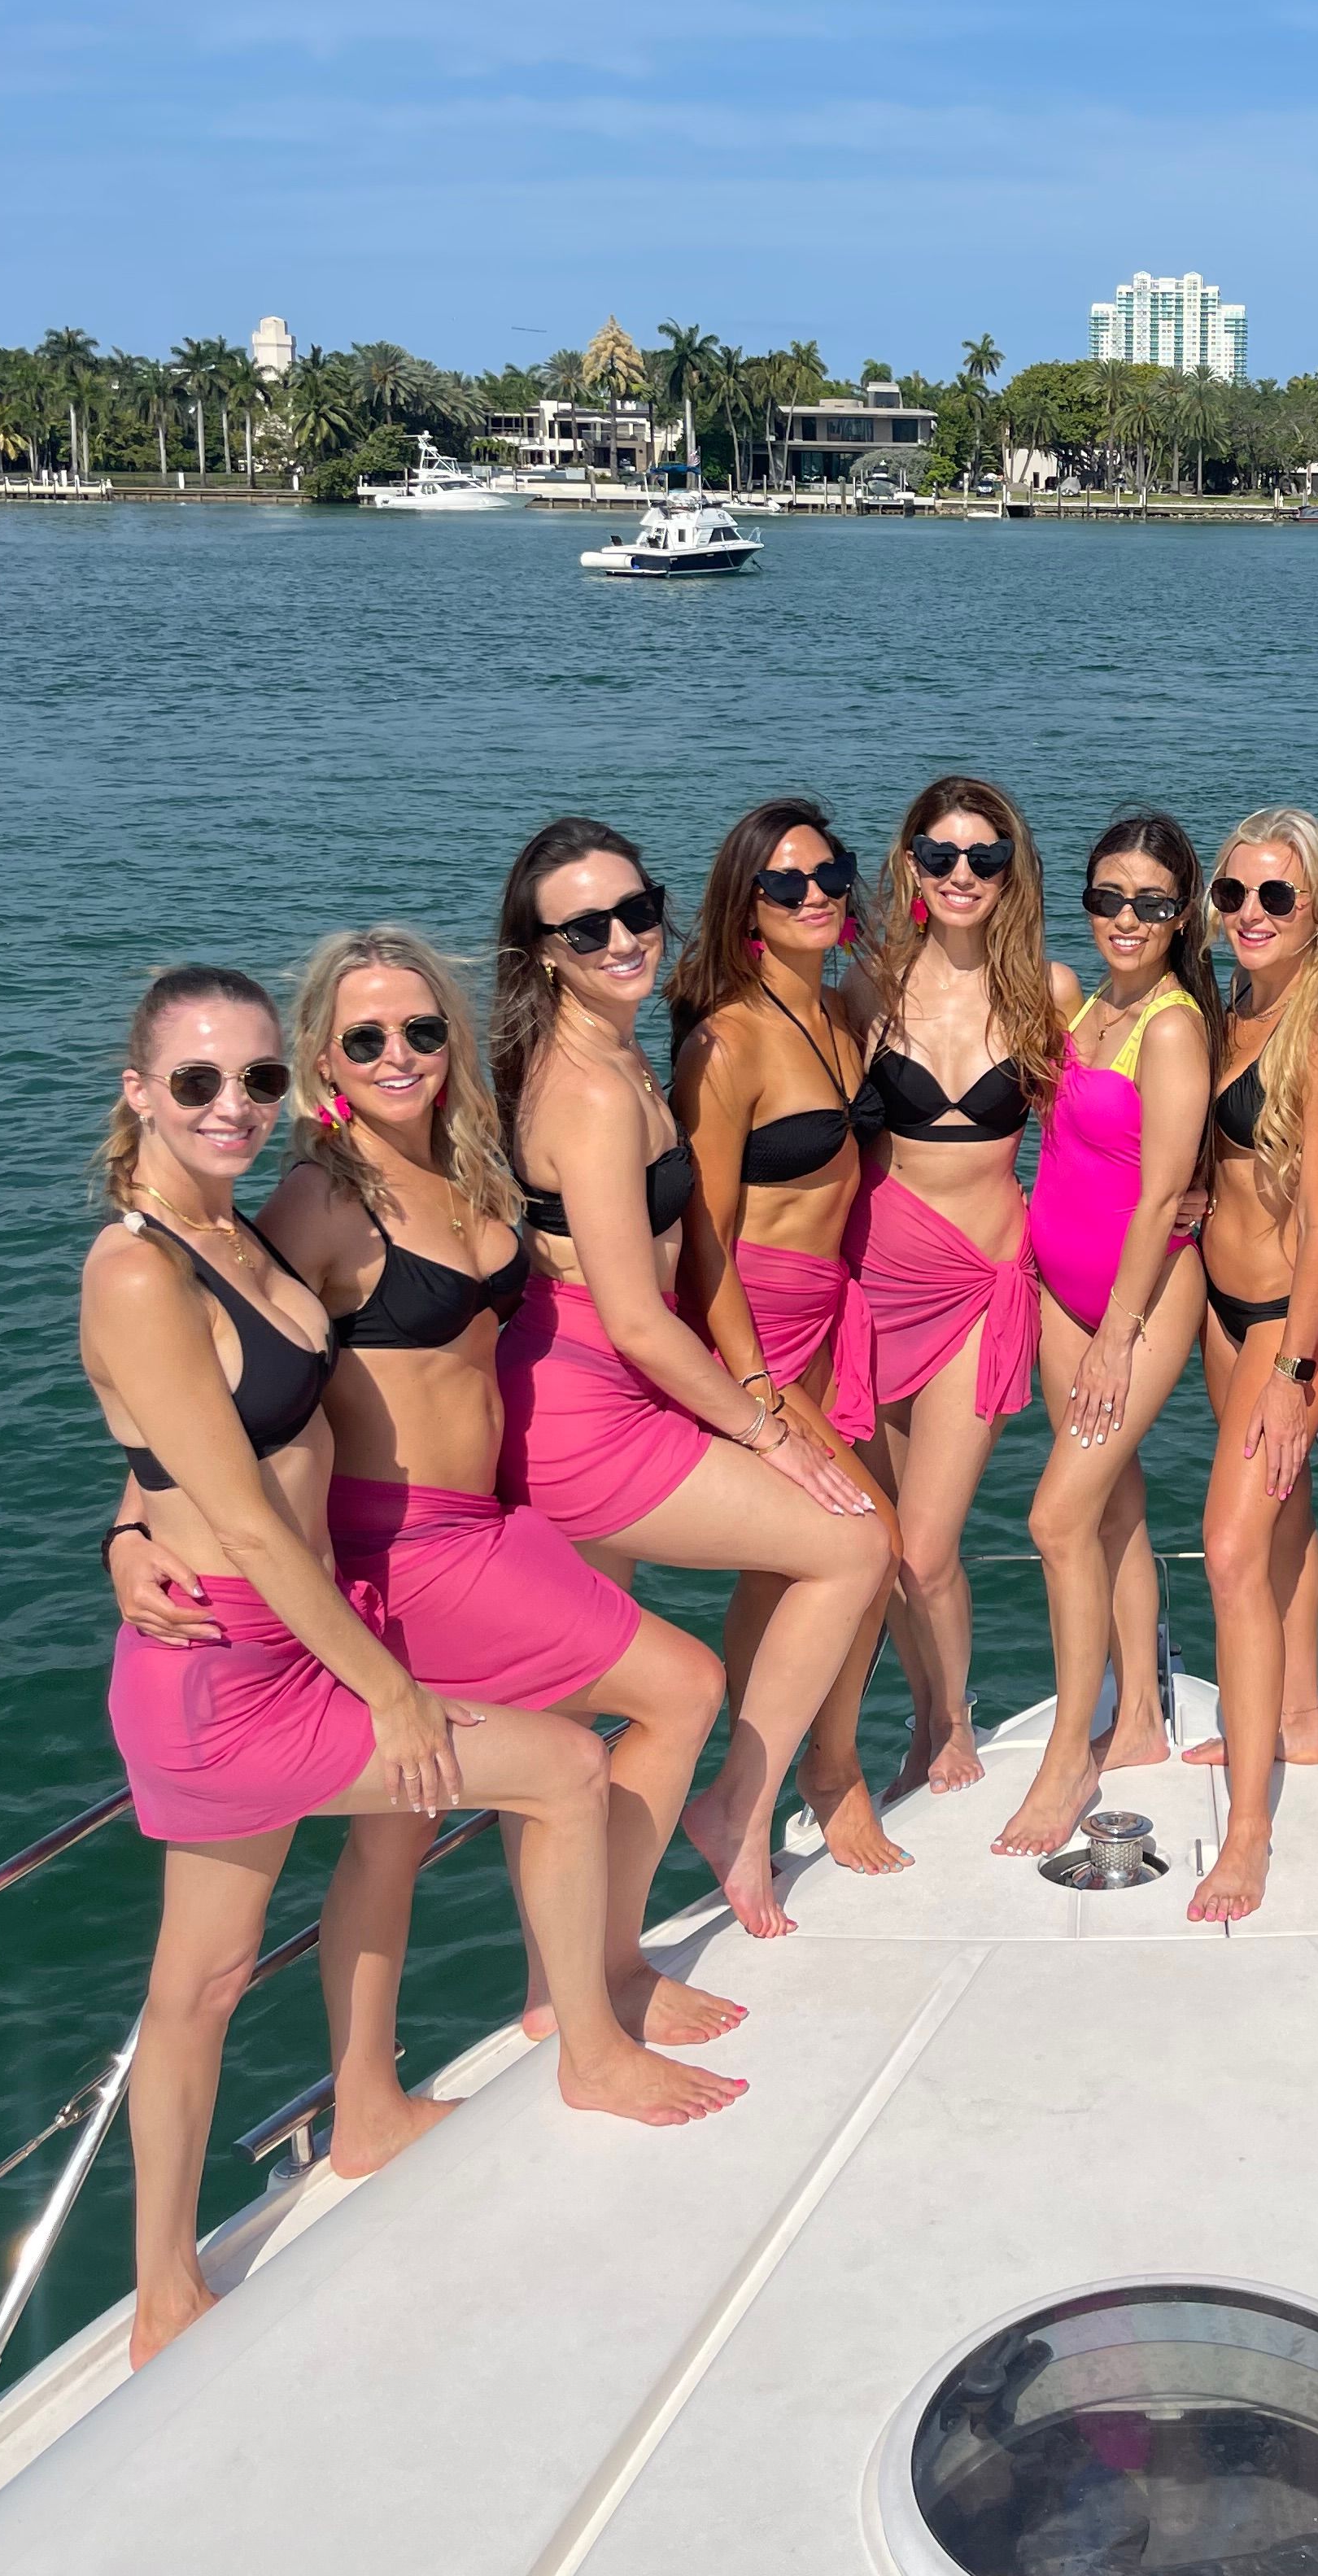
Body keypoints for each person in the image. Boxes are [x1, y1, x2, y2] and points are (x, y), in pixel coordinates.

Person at [82, 971, 741, 2368]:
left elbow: (188, 1438)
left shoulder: (236, 1239)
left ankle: (342, 2132)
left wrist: (130, 1515)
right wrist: (377, 1683)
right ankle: (166, 2291)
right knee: (544, 1775)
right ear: (137, 1089)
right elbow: (243, 1509)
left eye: (254, 1080)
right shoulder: (138, 1264)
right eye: (197, 1081)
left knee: (208, 1971)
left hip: (278, 1633)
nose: (231, 1106)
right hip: (238, 1663)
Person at [491, 816, 895, 1941]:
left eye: (637, 909)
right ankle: (735, 1810)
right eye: (588, 926)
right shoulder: (592, 1090)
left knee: (577, 1712)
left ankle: (565, 1983)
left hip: (583, 1381)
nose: (624, 936)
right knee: (854, 1538)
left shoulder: (614, 1053)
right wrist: (767, 1427)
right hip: (590, 1402)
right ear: (542, 951)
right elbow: (636, 1315)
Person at [670, 799, 906, 1877]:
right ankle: (809, 1775)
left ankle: (764, 1777)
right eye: (785, 883)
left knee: (784, 1570)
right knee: (869, 1538)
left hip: (828, 1319)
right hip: (752, 1325)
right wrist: (754, 1388)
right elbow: (704, 1238)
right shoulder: (728, 1041)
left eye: (831, 874)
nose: (816, 894)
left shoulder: (835, 1011)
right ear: (746, 906)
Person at [840, 775, 1075, 1797]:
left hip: (981, 1284)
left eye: (985, 858)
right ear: (910, 867)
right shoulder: (861, 988)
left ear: (1011, 872)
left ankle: (956, 1714)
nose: (962, 875)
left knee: (929, 1548)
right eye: (942, 857)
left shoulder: (1047, 993)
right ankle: (924, 1716)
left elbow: (1093, 1135)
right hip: (873, 1280)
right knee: (884, 1542)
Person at [993, 813, 1219, 1855]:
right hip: (1056, 1291)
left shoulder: (1171, 1026)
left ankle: (1068, 1761)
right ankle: (1134, 1722)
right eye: (1109, 899)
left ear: (1183, 917)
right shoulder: (1078, 1007)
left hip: (1139, 1301)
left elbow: (1166, 1188)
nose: (1127, 920)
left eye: (1153, 903)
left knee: (1053, 1521)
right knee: (1111, 1505)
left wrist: (1119, 1335)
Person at [1185, 808, 1318, 1925]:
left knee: (1230, 1546)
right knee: (1284, 1523)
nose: (1251, 915)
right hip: (1215, 1303)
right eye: (1235, 895)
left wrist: (1297, 1368)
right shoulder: (1221, 1008)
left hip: (1288, 1321)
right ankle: (1296, 1716)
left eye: (1278, 898)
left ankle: (1248, 1833)